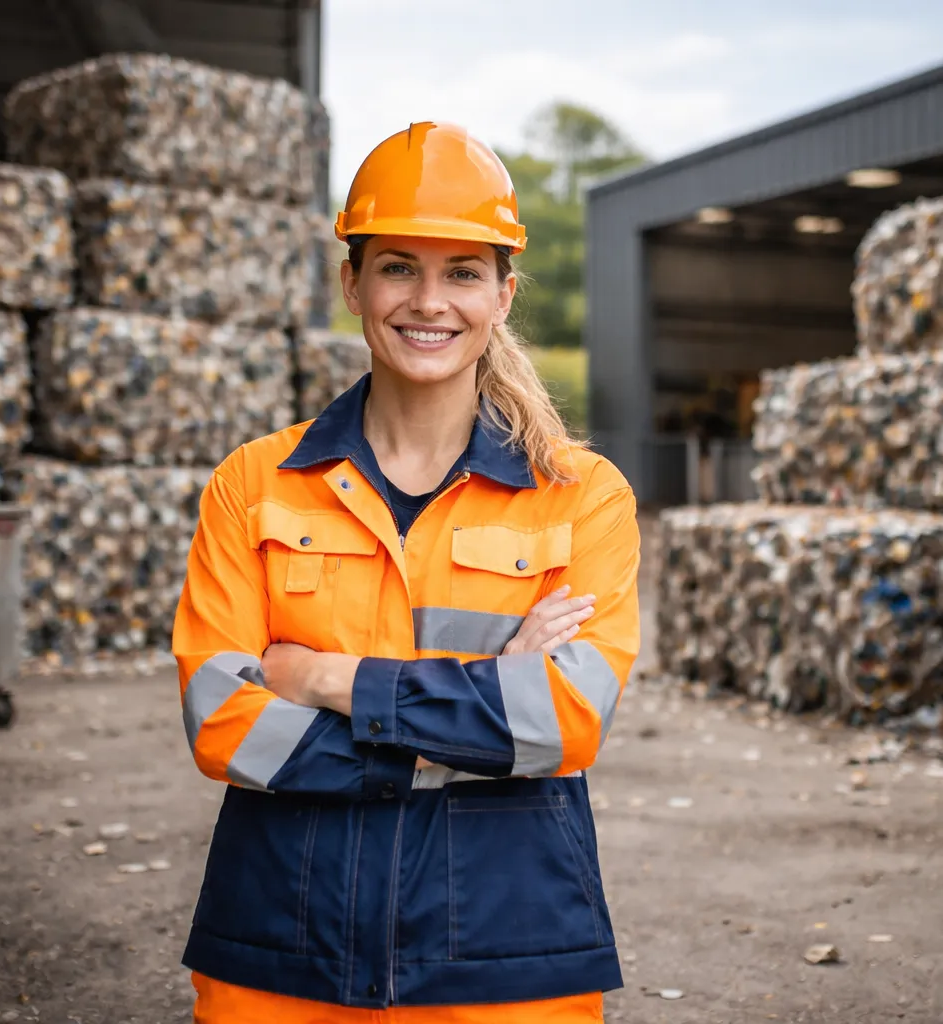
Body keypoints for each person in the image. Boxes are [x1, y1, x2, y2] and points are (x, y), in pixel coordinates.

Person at [172, 121, 641, 1024]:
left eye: (463, 271)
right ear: (352, 280)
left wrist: (326, 679)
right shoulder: (254, 484)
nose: (429, 301)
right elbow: (224, 725)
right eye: (398, 266)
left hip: (505, 956)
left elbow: (563, 726)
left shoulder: (580, 498)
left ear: (503, 293)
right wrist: (488, 699)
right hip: (280, 950)